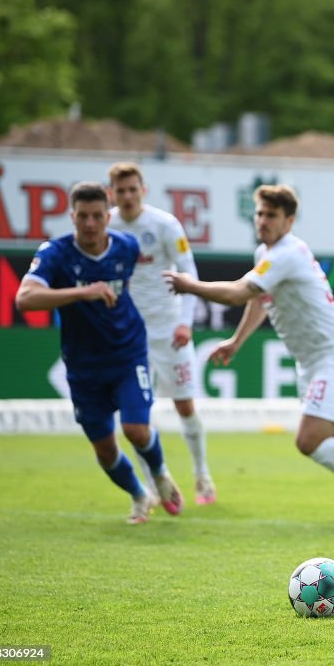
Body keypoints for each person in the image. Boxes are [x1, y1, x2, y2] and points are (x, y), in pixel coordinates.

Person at [163, 184, 334, 527]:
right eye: (260, 214)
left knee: (309, 440)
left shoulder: (287, 253)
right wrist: (237, 341)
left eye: (272, 215)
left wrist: (190, 285)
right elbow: (258, 300)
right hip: (310, 361)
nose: (263, 221)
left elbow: (240, 292)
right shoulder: (267, 255)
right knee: (327, 438)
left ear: (289, 220)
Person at [15, 181, 184, 524]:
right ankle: (139, 494)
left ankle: (161, 472)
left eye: (96, 216)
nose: (89, 224)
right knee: (105, 451)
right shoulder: (55, 253)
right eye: (82, 217)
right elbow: (24, 299)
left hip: (128, 353)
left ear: (107, 217)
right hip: (83, 365)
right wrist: (81, 293)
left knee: (136, 429)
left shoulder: (126, 246)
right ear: (71, 216)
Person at [107, 162, 216, 505]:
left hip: (169, 331)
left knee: (185, 405)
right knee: (136, 416)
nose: (126, 196)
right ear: (112, 193)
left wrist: (185, 322)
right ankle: (154, 487)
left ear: (143, 190)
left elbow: (188, 272)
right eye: (120, 190)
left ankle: (202, 476)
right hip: (128, 337)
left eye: (132, 189)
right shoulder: (106, 225)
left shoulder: (165, 225)